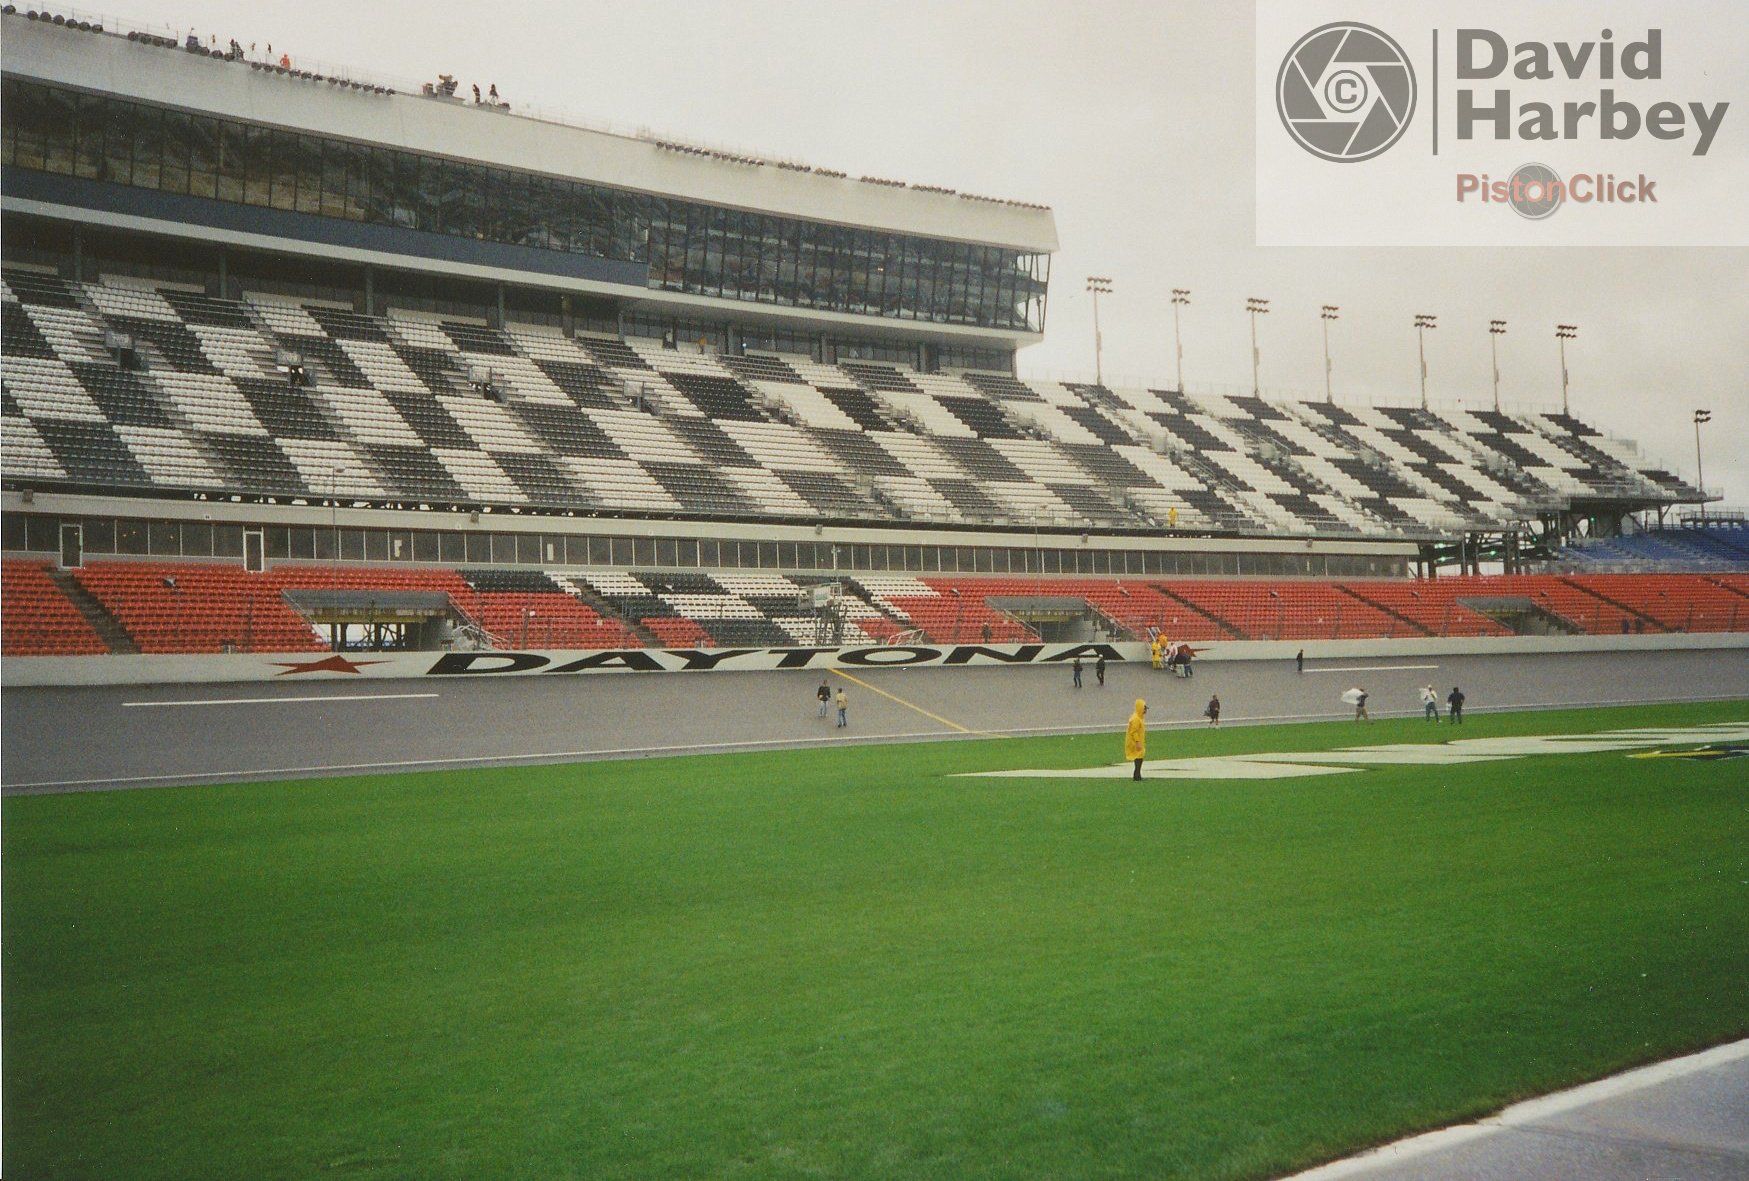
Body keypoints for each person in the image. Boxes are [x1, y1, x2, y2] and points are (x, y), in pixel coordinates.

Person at [1125, 698, 1147, 781]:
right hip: (1135, 741)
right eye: (1144, 708)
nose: (1145, 710)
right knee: (1139, 756)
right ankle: (1137, 775)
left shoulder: (1139, 717)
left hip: (1137, 740)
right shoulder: (1136, 719)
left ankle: (1137, 774)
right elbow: (1134, 732)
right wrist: (1137, 742)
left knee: (1139, 756)